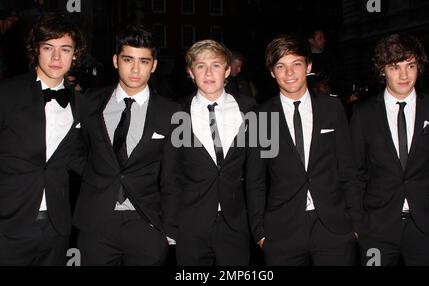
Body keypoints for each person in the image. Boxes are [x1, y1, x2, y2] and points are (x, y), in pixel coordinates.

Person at [246, 34, 361, 266]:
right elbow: (255, 179)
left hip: (334, 227)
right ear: (272, 71)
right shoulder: (261, 117)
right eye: (281, 66)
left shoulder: (331, 108)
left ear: (308, 66)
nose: (289, 73)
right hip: (282, 231)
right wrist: (260, 233)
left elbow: (348, 169)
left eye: (296, 64)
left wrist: (356, 223)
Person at [73, 25, 180, 266]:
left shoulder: (171, 113)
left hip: (147, 223)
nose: (135, 69)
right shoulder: (90, 102)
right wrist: (98, 174)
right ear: (115, 61)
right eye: (128, 59)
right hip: (96, 220)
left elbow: (172, 177)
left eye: (143, 61)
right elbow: (75, 150)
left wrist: (169, 230)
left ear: (153, 65)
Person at [350, 34, 429, 266]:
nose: (404, 75)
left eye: (411, 66)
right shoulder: (362, 114)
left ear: (419, 68)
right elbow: (354, 174)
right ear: (382, 70)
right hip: (377, 230)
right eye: (395, 67)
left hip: (427, 228)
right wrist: (358, 225)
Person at [0, 14, 86, 266]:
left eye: (65, 49)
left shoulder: (81, 103)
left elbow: (77, 158)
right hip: (7, 225)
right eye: (48, 48)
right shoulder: (6, 93)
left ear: (75, 54)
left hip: (56, 228)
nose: (57, 58)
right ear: (36, 50)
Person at [175, 40, 255, 266]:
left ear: (228, 70)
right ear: (191, 72)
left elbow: (262, 171)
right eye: (201, 66)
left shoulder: (251, 109)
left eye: (216, 65)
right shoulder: (176, 113)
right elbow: (171, 175)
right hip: (191, 225)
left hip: (236, 224)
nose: (209, 73)